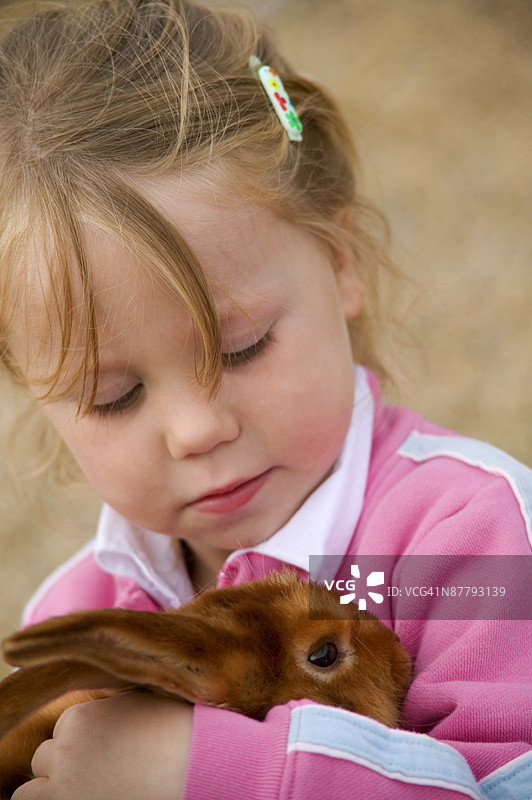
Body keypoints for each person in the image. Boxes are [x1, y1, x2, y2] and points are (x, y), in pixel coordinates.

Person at [0, 0, 530, 797]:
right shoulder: (78, 611)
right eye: (114, 397)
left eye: (242, 346)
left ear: (339, 260)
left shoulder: (467, 540)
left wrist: (211, 773)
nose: (197, 430)